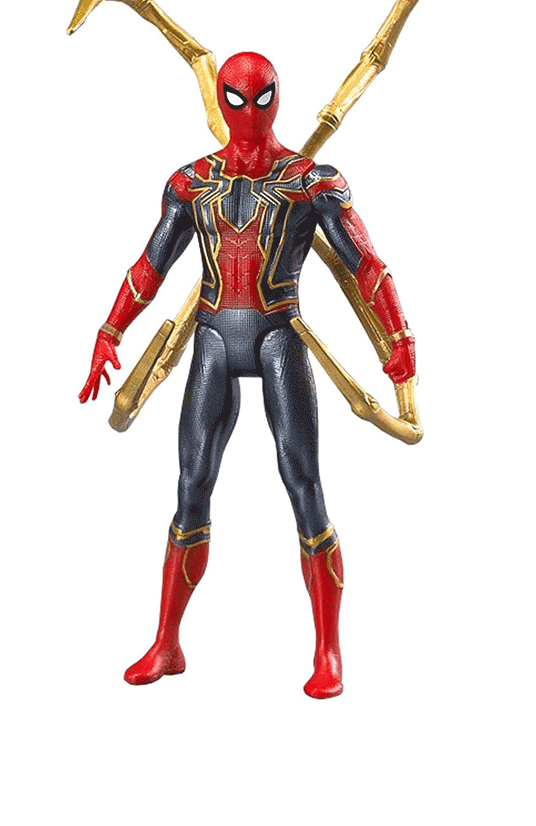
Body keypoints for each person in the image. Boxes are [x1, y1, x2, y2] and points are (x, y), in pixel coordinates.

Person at [79, 51, 415, 698]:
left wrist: (399, 337)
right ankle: (166, 641)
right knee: (191, 485)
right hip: (212, 338)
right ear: (222, 100)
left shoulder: (310, 182)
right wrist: (109, 331)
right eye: (237, 99)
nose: (251, 114)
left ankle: (329, 652)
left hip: (278, 336)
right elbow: (150, 266)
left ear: (279, 98)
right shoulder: (190, 183)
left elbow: (366, 263)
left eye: (262, 99)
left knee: (304, 484)